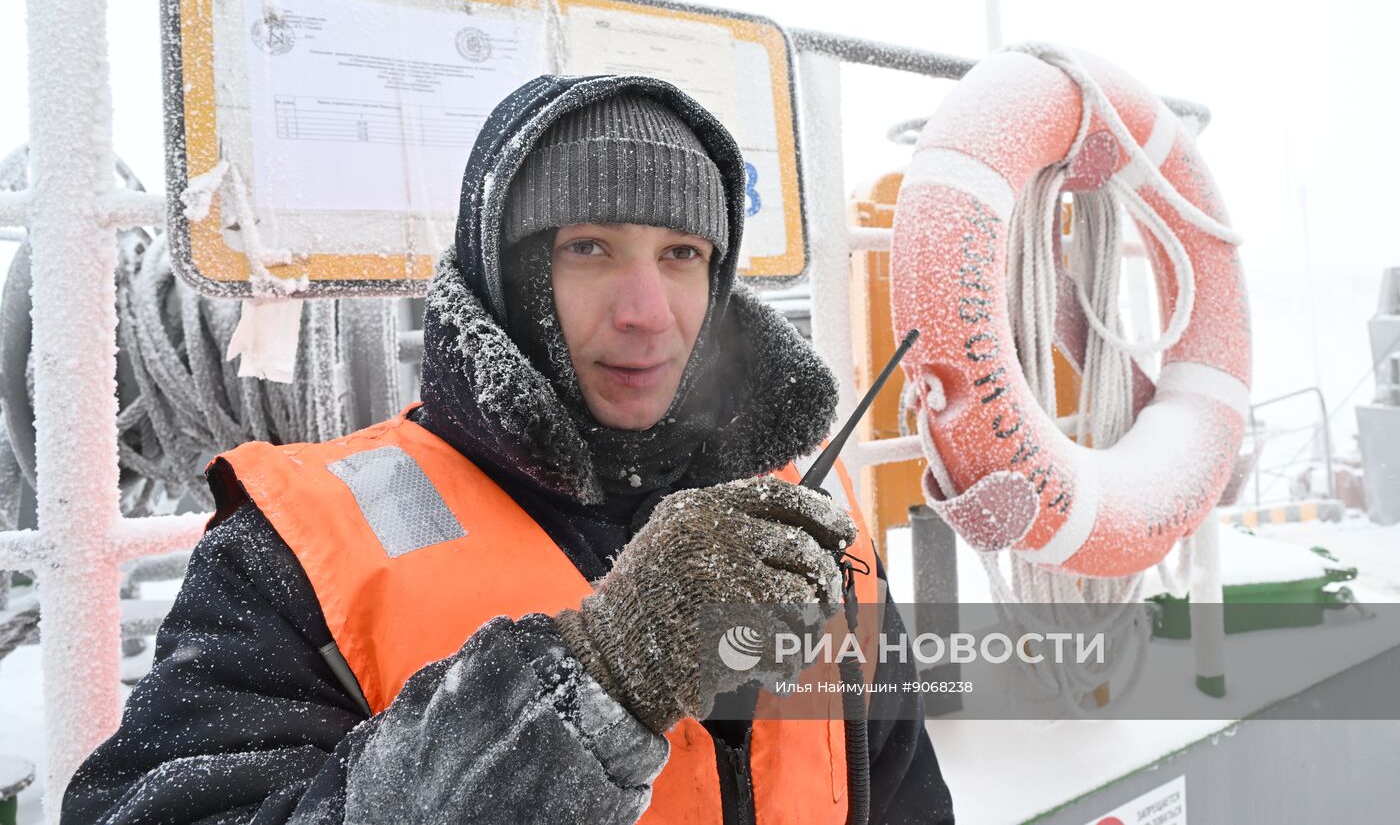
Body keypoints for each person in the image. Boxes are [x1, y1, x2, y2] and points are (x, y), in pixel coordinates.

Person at [63, 74, 955, 824]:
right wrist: (588, 688)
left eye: (682, 253)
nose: (647, 311)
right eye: (589, 247)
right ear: (507, 273)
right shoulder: (301, 547)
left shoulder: (805, 526)